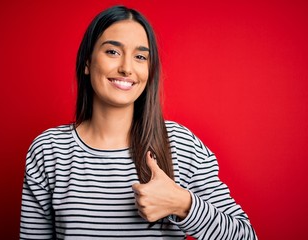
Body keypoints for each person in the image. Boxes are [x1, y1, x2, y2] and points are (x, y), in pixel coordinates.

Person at [20, 5, 257, 240]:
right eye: (112, 52)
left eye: (140, 56)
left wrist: (183, 204)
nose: (126, 68)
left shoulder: (180, 145)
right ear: (87, 63)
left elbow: (246, 236)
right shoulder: (49, 150)